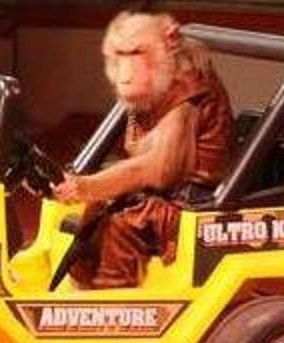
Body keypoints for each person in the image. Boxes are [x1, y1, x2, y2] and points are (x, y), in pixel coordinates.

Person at [54, 12, 233, 288]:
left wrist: (88, 186)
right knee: (97, 209)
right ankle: (80, 287)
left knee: (124, 223)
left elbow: (156, 169)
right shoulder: (158, 83)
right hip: (167, 190)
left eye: (137, 53)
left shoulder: (186, 92)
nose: (126, 74)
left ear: (169, 43)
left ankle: (113, 299)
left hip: (189, 202)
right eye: (120, 54)